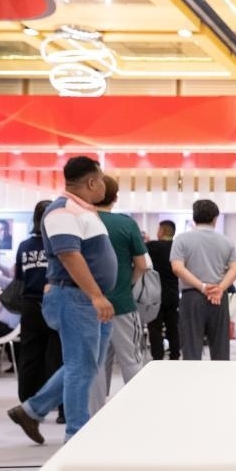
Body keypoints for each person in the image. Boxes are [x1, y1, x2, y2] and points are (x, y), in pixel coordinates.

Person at [8, 156, 117, 444]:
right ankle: (76, 435)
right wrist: (96, 295)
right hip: (76, 297)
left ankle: (31, 411)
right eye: (101, 180)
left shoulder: (82, 211)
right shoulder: (62, 211)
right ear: (91, 182)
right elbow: (69, 255)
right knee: (81, 366)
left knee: (85, 364)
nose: (104, 186)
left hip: (86, 298)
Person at [90, 175, 148, 414]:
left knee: (95, 362)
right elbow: (142, 265)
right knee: (131, 358)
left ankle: (95, 415)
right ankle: (138, 411)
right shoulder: (126, 224)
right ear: (115, 197)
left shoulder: (84, 221)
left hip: (89, 303)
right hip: (122, 303)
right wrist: (127, 282)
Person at [170, 199, 236, 361]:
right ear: (215, 219)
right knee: (220, 350)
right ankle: (220, 378)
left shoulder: (182, 239)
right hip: (218, 298)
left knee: (191, 349)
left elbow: (177, 268)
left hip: (191, 297)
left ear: (194, 217)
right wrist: (220, 288)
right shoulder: (226, 241)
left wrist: (202, 287)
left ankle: (193, 377)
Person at [13, 200, 64, 419]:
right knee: (58, 356)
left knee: (29, 355)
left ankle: (26, 405)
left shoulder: (24, 246)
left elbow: (19, 276)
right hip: (55, 302)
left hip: (29, 305)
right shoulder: (59, 244)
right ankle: (62, 409)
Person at [146, 220, 180, 361]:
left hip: (154, 295)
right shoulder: (177, 247)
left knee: (155, 328)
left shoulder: (151, 246)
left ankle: (158, 357)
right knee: (173, 328)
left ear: (161, 231)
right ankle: (174, 356)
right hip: (172, 295)